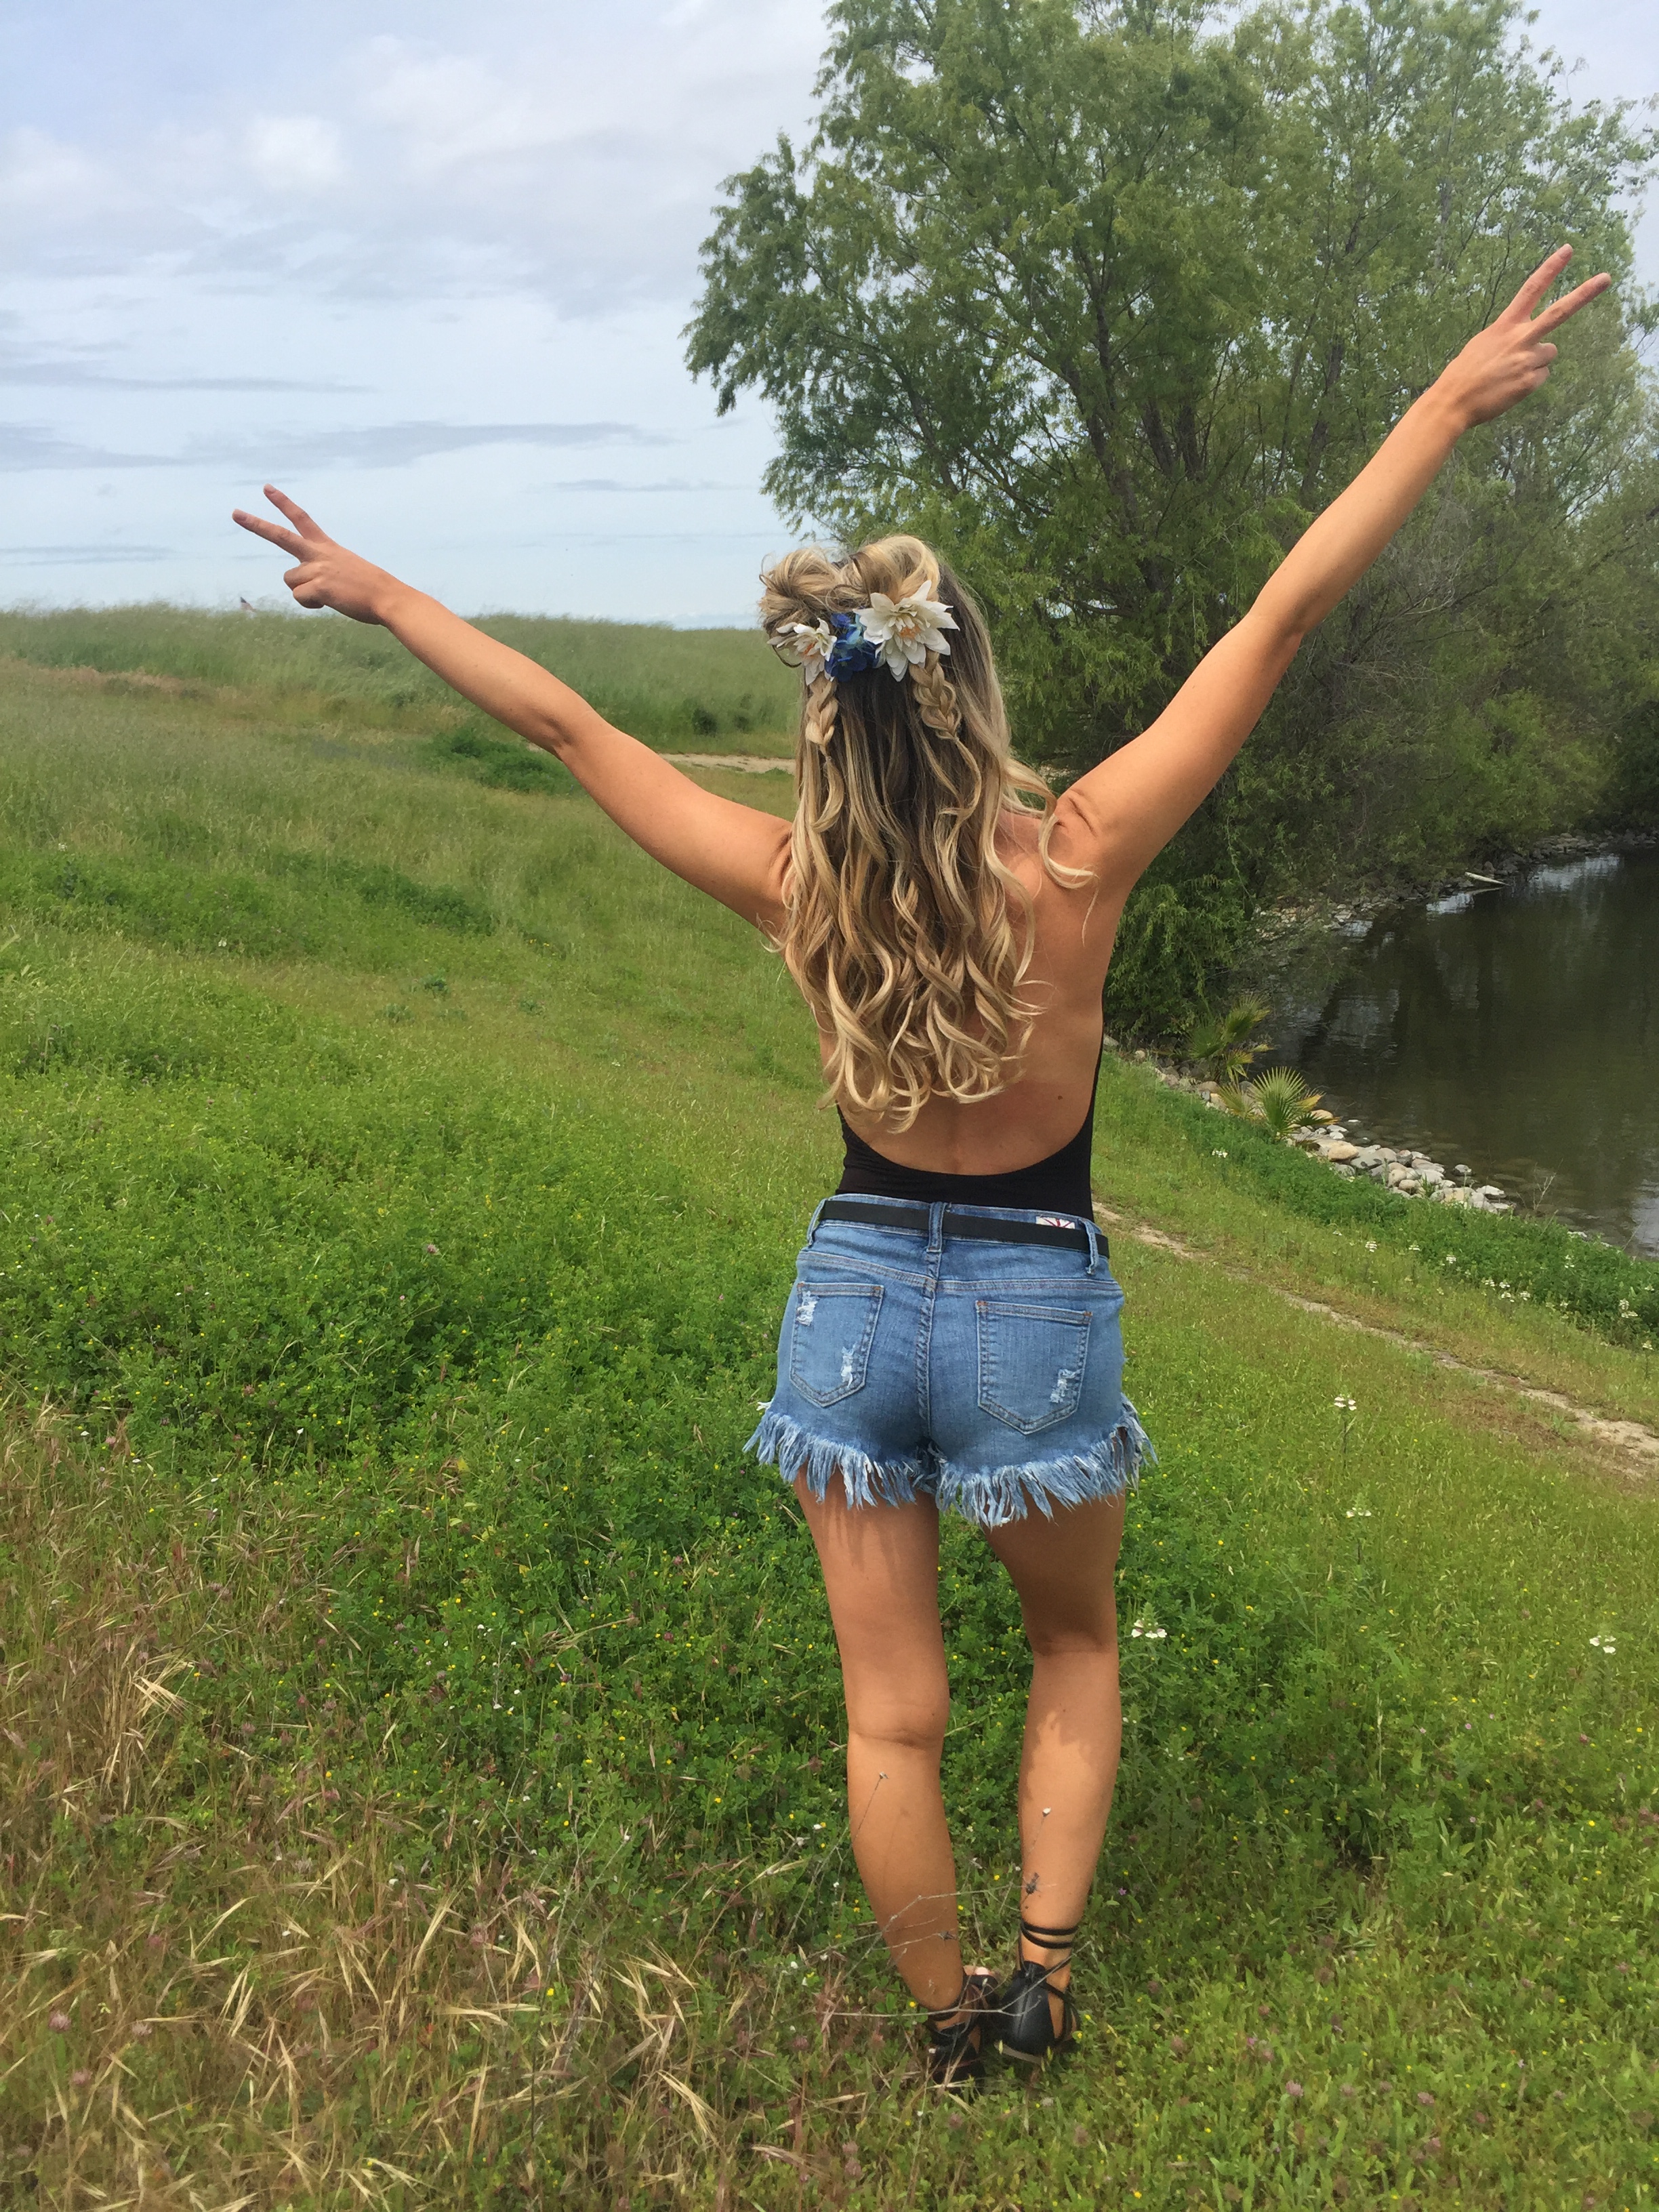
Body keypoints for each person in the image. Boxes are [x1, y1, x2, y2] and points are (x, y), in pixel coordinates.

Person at [234, 245, 1609, 2085]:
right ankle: (1044, 1983)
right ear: (969, 695)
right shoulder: (1084, 852)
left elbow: (566, 725)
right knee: (1074, 1651)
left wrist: (385, 589)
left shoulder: (793, 883)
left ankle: (948, 2029)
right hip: (1036, 1298)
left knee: (894, 1721)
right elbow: (1275, 628)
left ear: (835, 715)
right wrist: (1439, 404)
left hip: (856, 1297)